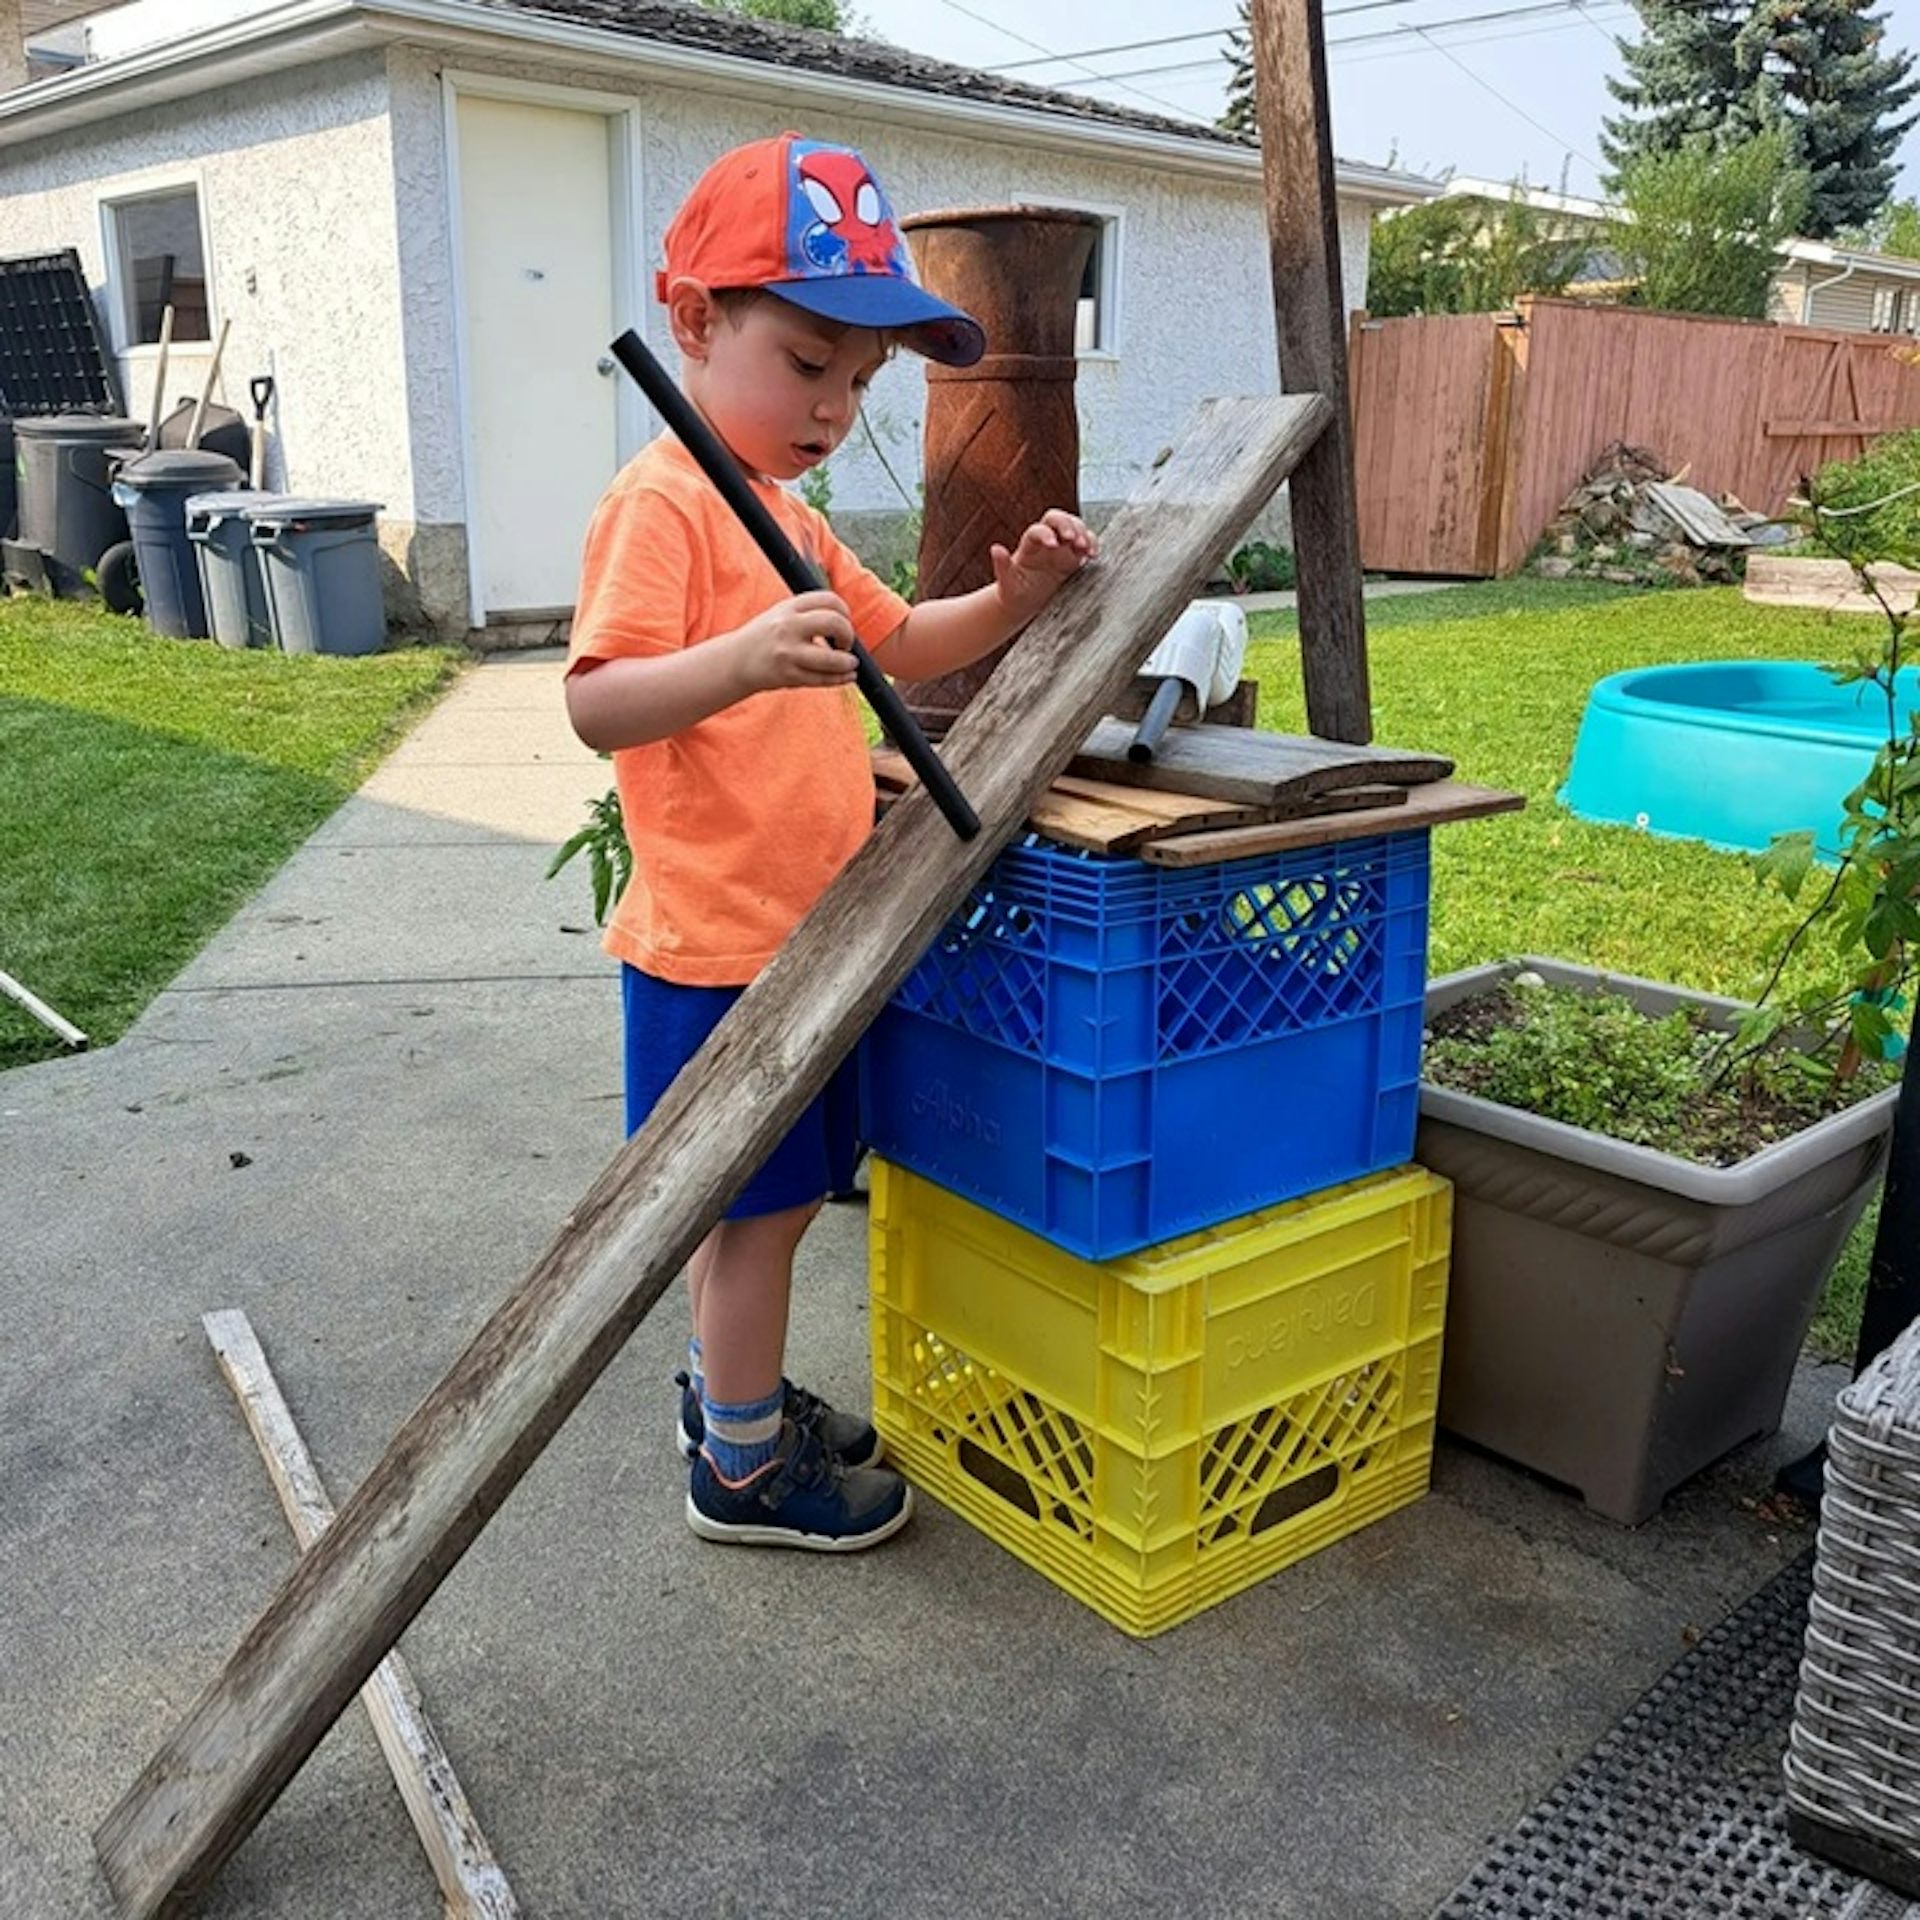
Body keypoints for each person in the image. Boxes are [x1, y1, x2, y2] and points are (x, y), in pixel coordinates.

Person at [564, 131, 1096, 1552]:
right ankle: (741, 1470)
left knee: (765, 1209)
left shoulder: (787, 520)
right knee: (757, 1219)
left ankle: (725, 1403)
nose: (832, 407)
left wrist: (1017, 599)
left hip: (804, 941)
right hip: (718, 955)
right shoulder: (665, 504)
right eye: (808, 363)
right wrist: (738, 662)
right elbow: (597, 702)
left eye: (859, 383)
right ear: (695, 323)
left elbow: (904, 641)